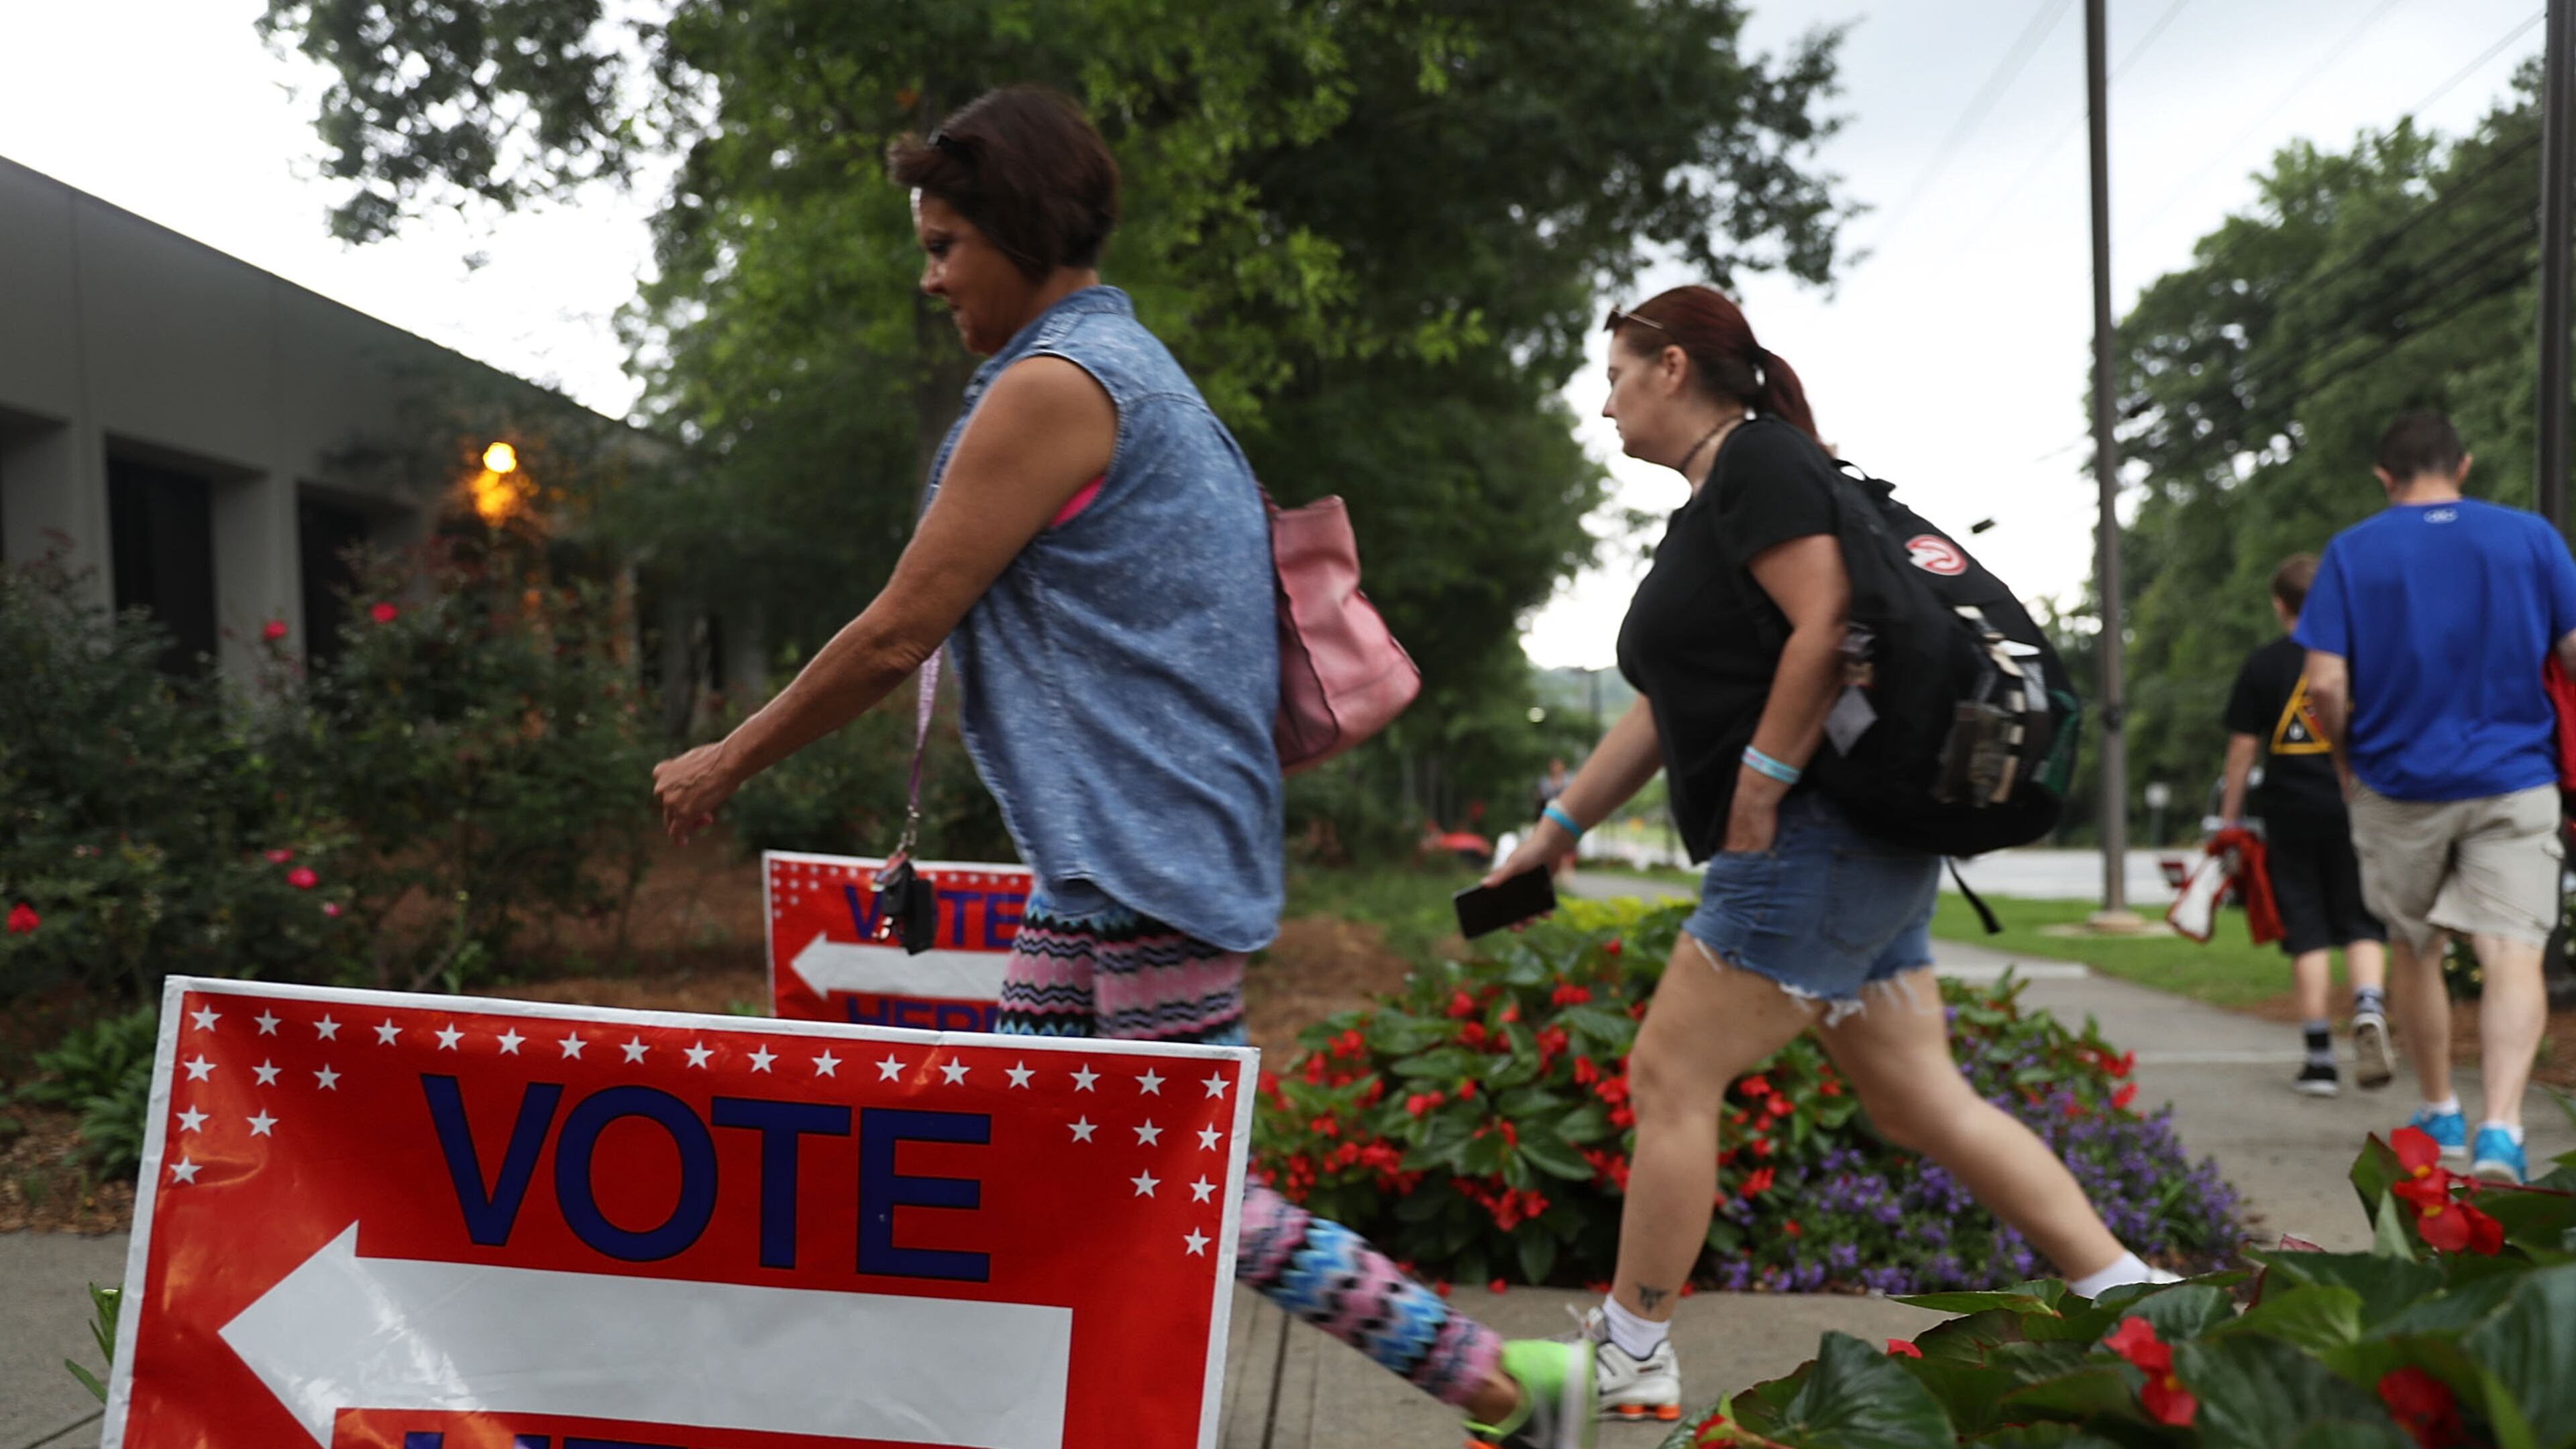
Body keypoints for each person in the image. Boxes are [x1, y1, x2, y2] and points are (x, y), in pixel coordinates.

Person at [650, 87, 1592, 1449]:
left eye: (949, 242)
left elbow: (899, 628)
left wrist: (727, 760)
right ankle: (1017, 1409)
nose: (931, 277)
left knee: (1184, 1189)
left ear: (1023, 234)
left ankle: (1506, 1388)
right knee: (1034, 1140)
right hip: (1118, 854)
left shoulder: (1056, 387)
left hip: (1145, 858)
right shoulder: (1129, 372)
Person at [1481, 284, 2172, 1421]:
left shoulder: (1761, 462)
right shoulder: (1713, 505)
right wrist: (1559, 835)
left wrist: (1761, 785)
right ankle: (2133, 1297)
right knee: (1922, 1104)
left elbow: (1827, 615)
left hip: (1814, 842)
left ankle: (1634, 1350)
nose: (1604, 408)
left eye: (1613, 377)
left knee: (1671, 1074)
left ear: (1669, 367)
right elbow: (1666, 706)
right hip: (1858, 850)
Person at [2297, 409, 2576, 1185]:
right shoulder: (2531, 538)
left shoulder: (2353, 552)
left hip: (2397, 784)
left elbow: (2324, 680)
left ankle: (2440, 1110)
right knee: (2512, 948)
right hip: (2515, 777)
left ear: (2385, 478)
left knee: (2418, 945)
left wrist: (2348, 760)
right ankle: (2504, 1130)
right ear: (2466, 464)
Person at [2217, 553, 2393, 1096]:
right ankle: (2368, 1005)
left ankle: (2319, 1060)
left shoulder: (2264, 665)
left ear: (2279, 606)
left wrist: (2227, 820)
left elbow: (2243, 751)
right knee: (2364, 918)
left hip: (2289, 813)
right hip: (2355, 805)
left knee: (2307, 929)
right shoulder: (2359, 660)